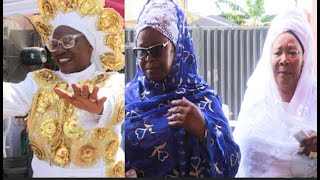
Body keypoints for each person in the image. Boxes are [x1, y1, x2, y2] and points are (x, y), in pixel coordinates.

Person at [3, 0, 125, 177]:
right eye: (54, 44)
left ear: (90, 43)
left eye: (67, 41)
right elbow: (11, 96)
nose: (59, 51)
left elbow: (115, 100)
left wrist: (99, 107)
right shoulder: (38, 82)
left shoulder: (112, 82)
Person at [124, 0, 240, 177]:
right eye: (141, 51)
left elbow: (231, 163)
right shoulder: (127, 98)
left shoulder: (202, 99)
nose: (148, 58)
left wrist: (203, 128)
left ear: (176, 48)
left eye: (156, 50)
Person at [233, 8, 317, 177]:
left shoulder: (314, 97)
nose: (284, 59)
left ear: (304, 59)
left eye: (292, 52)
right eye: (277, 52)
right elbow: (238, 154)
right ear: (268, 58)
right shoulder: (256, 99)